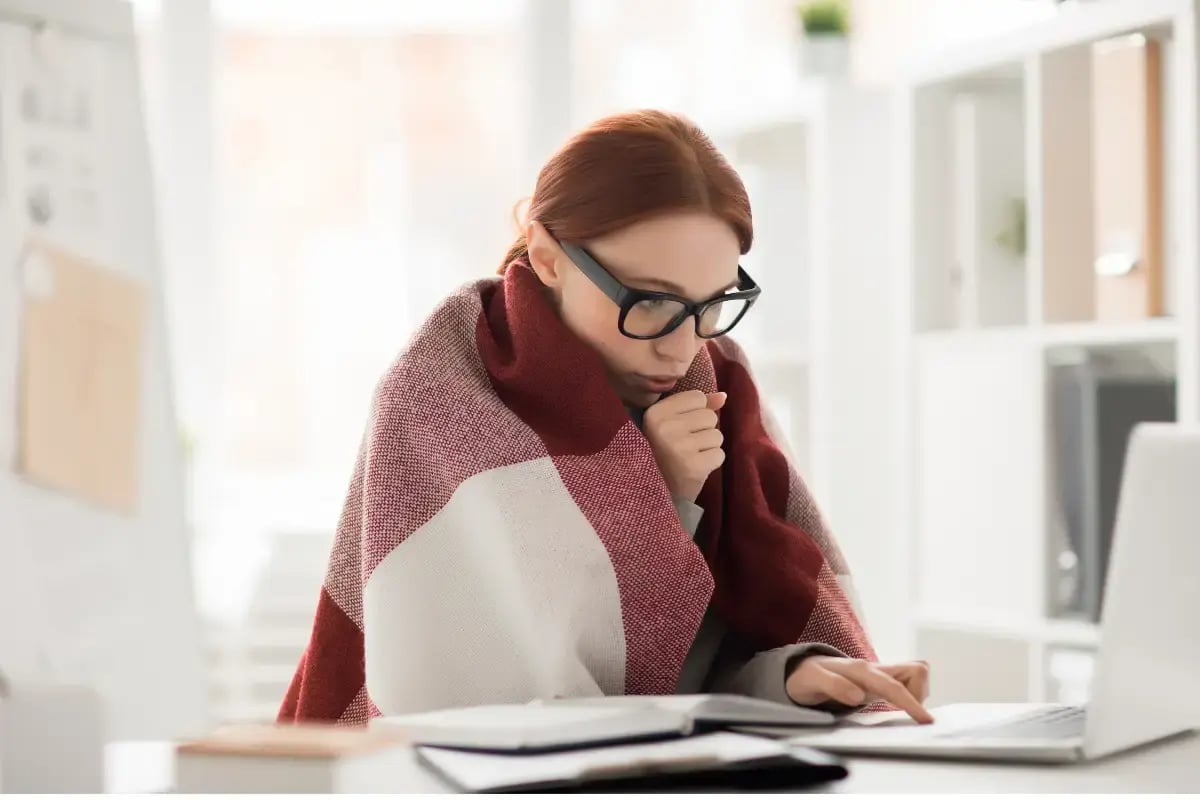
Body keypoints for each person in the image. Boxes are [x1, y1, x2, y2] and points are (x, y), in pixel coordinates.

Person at [279, 110, 932, 726]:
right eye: (650, 302)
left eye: (712, 304)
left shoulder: (720, 383)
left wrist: (795, 677)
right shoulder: (438, 398)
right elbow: (519, 700)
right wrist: (658, 490)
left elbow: (686, 682)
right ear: (547, 256)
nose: (681, 346)